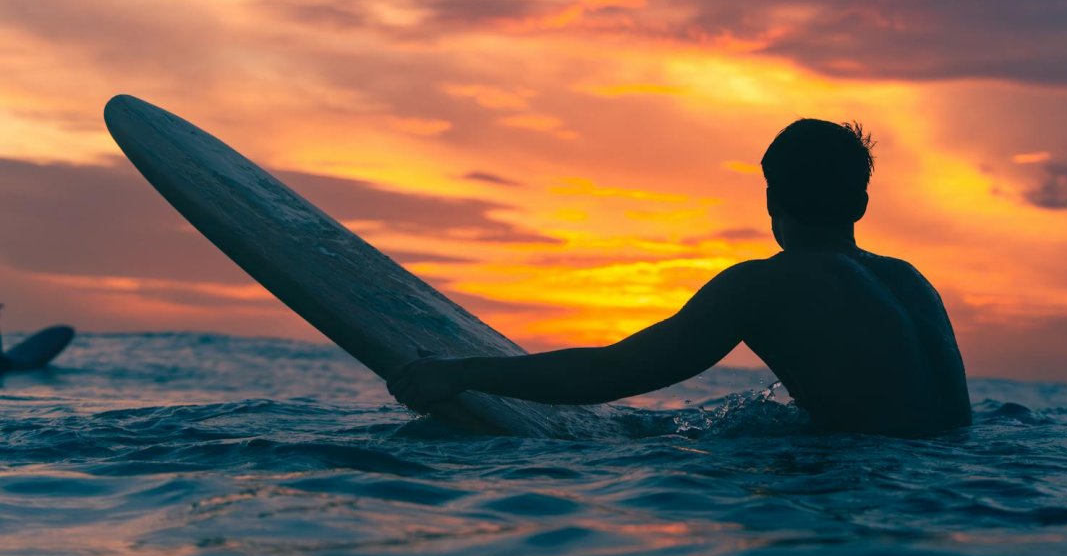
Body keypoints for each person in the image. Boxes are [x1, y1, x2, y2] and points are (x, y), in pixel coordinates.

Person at [388, 119, 972, 437]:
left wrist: (460, 373)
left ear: (771, 201)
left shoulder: (764, 284)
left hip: (862, 480)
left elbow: (615, 372)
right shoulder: (912, 282)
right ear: (862, 204)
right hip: (947, 485)